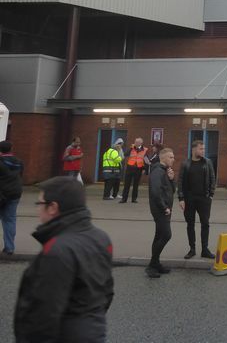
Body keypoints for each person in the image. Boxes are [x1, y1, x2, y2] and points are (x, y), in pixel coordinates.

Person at [14, 177, 114, 342]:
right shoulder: (101, 238)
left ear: (53, 207)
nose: (38, 210)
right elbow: (106, 292)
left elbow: (44, 312)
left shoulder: (57, 249)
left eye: (39, 204)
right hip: (93, 331)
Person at [177, 140, 216, 260]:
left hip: (204, 198)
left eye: (204, 149)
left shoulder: (208, 162)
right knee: (190, 224)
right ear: (193, 150)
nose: (203, 151)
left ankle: (205, 249)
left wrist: (211, 195)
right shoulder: (185, 164)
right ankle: (192, 249)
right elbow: (180, 182)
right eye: (201, 149)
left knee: (205, 223)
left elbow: (212, 178)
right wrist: (181, 198)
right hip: (189, 199)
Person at [146, 147, 176, 278]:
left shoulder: (165, 171)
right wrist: (164, 207)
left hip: (165, 209)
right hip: (160, 210)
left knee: (159, 235)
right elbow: (155, 192)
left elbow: (171, 190)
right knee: (166, 235)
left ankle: (156, 263)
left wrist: (171, 179)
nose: (173, 159)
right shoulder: (157, 171)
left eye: (173, 157)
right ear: (163, 157)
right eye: (171, 157)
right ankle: (152, 264)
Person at [0, 139, 24, 255]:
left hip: (2, 193)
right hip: (15, 193)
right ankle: (9, 247)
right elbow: (20, 176)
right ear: (11, 149)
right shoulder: (19, 162)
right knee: (10, 220)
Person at [119, 137, 148, 203]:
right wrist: (131, 148)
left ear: (141, 143)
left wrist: (145, 170)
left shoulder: (145, 150)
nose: (136, 143)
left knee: (136, 184)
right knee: (127, 184)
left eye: (137, 142)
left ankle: (134, 199)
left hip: (139, 168)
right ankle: (124, 199)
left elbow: (146, 161)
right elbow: (125, 154)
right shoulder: (131, 148)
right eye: (135, 142)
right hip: (130, 168)